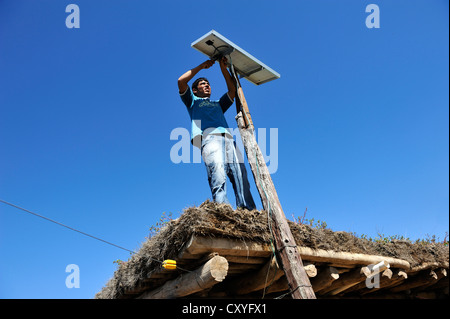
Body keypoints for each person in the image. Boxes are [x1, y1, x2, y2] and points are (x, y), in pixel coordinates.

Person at [177, 57, 256, 210]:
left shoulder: (218, 104)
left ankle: (248, 211)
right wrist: (201, 66)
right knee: (218, 173)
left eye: (208, 84)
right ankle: (223, 210)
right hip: (209, 139)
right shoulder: (192, 101)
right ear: (195, 90)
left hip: (228, 139)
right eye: (202, 84)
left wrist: (222, 68)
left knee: (241, 175)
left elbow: (232, 91)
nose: (207, 86)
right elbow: (181, 81)